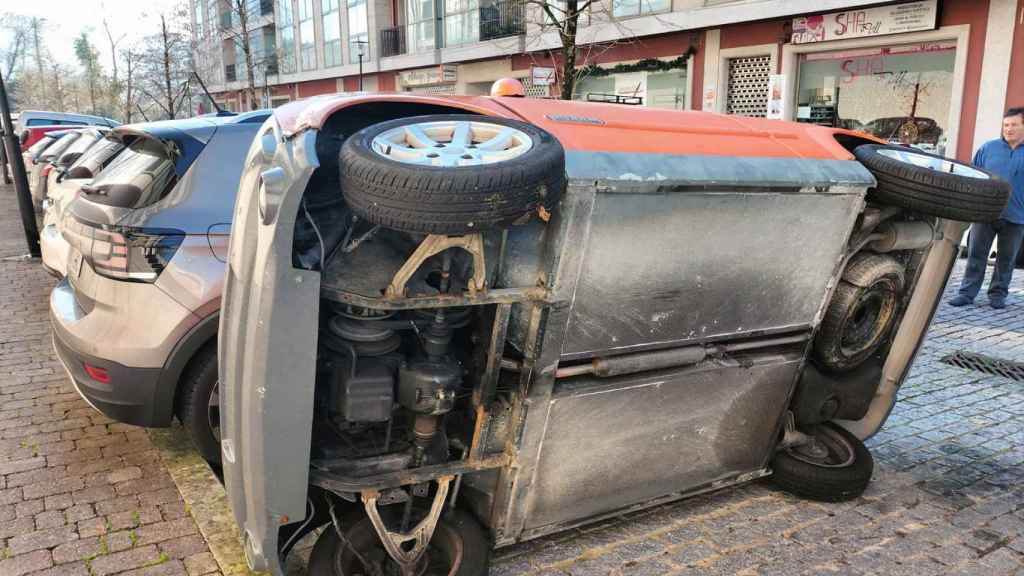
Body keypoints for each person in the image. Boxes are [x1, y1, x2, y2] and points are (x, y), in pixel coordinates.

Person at [949, 107, 1024, 309]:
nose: (1008, 129)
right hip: (986, 212)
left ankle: (998, 295)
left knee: (1006, 260)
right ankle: (966, 293)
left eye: (1014, 125)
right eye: (1006, 125)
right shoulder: (988, 148)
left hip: (1017, 217)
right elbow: (975, 176)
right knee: (976, 254)